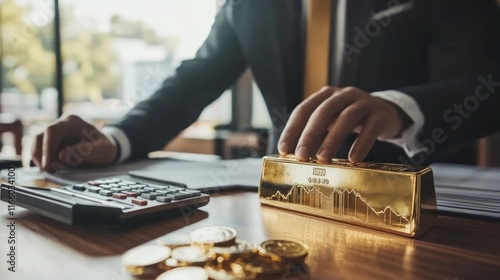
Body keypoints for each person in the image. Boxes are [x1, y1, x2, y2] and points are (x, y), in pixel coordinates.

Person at [33, 0, 500, 173]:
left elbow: (486, 85)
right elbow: (193, 82)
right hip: (286, 208)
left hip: (431, 215)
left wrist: (399, 108)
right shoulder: (249, 5)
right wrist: (113, 139)